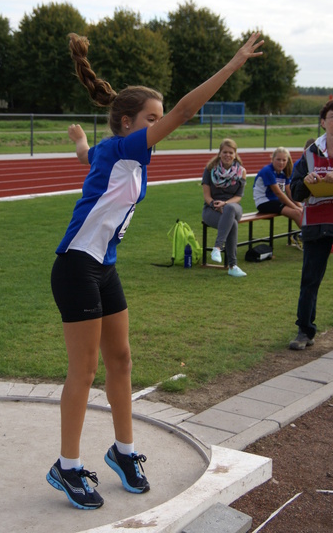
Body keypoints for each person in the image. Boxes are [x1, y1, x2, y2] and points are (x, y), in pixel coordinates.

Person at [46, 32, 264, 509]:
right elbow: (186, 111)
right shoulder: (127, 149)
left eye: (159, 117)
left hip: (104, 267)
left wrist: (80, 142)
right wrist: (233, 63)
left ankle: (123, 452)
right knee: (82, 371)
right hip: (76, 267)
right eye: (152, 117)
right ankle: (66, 467)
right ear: (129, 123)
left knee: (120, 360)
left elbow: (89, 158)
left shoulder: (112, 150)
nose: (161, 123)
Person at [289, 98, 333, 354]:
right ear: (323, 123)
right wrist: (307, 182)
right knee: (309, 281)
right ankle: (304, 330)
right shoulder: (310, 154)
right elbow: (295, 191)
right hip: (316, 225)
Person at [202, 138, 247, 276]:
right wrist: (214, 204)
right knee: (232, 223)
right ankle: (233, 266)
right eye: (225, 152)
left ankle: (217, 247)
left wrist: (225, 204)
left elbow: (239, 196)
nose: (228, 155)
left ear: (235, 154)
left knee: (230, 209)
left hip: (233, 207)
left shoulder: (241, 171)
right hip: (211, 209)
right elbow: (207, 195)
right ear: (219, 153)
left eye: (231, 152)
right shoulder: (210, 170)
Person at [253, 147, 303, 230]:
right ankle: (308, 238)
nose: (281, 163)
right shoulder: (267, 171)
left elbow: (289, 192)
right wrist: (295, 207)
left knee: (301, 211)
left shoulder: (283, 172)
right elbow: (279, 193)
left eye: (284, 160)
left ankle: (309, 235)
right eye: (278, 159)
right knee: (296, 213)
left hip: (276, 201)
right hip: (264, 202)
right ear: (272, 159)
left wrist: (299, 206)